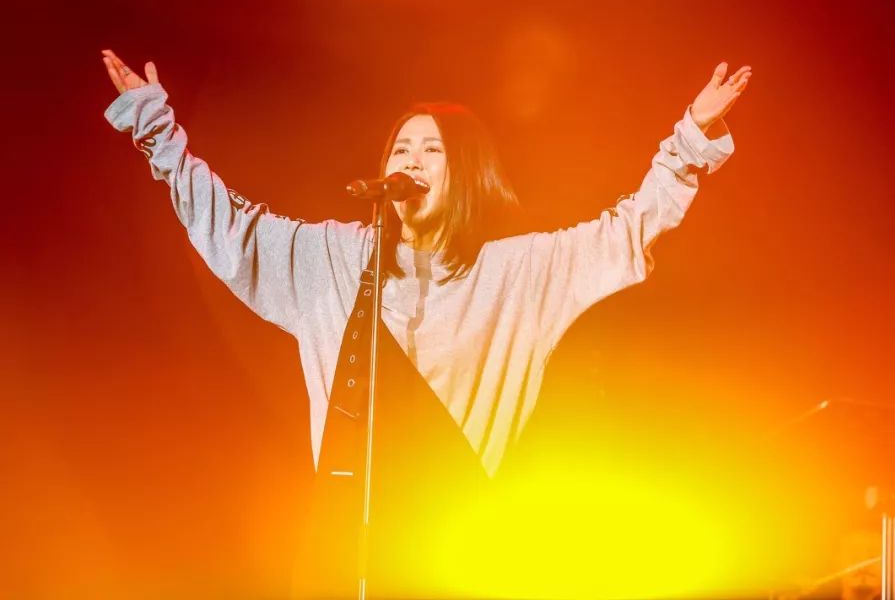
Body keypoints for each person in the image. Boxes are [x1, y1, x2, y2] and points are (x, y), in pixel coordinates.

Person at [100, 48, 752, 596]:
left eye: (431, 149)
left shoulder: (515, 272)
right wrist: (158, 131)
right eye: (401, 148)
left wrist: (689, 140)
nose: (409, 160)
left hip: (451, 550)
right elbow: (235, 229)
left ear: (463, 171)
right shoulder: (332, 259)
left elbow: (624, 230)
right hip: (342, 551)